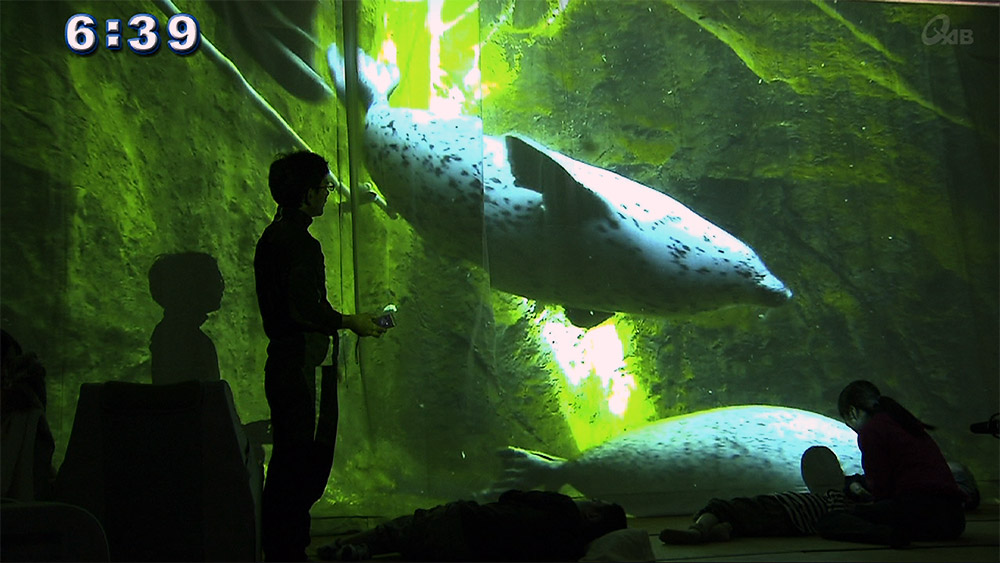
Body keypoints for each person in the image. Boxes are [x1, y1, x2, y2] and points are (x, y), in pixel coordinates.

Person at [254, 151, 387, 561]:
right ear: (308, 193)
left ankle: (282, 547)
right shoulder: (300, 243)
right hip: (302, 366)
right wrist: (350, 321)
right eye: (326, 187)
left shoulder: (272, 237)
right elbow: (304, 308)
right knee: (302, 463)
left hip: (286, 363)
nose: (329, 194)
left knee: (291, 460)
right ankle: (288, 551)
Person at [815, 380, 965, 547]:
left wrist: (863, 500)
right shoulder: (906, 423)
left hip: (920, 516)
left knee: (830, 520)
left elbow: (882, 490)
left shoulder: (871, 430)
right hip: (955, 520)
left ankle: (887, 535)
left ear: (852, 413)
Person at [316, 490, 627, 561]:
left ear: (593, 516)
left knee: (397, 532)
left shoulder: (563, 505)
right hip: (472, 553)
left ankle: (342, 547)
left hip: (465, 521)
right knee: (411, 556)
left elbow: (511, 495)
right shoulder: (570, 551)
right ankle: (357, 555)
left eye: (593, 503)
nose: (584, 499)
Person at [659, 446, 853, 545]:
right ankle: (722, 531)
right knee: (747, 523)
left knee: (722, 507)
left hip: (779, 506)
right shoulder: (840, 502)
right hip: (787, 527)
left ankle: (698, 531)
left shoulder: (835, 500)